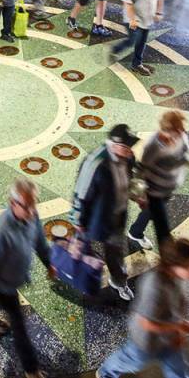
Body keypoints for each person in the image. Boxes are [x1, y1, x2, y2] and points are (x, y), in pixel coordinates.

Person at [0, 178, 56, 378]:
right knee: (19, 327)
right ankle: (31, 370)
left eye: (33, 205)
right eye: (27, 206)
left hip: (13, 277)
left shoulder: (32, 216)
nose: (31, 211)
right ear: (13, 204)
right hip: (2, 285)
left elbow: (39, 241)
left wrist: (49, 263)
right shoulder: (1, 231)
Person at [97, 239, 189, 378]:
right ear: (175, 265)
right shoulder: (154, 285)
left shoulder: (182, 278)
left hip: (170, 337)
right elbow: (146, 323)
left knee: (181, 372)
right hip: (145, 341)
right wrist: (178, 327)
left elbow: (180, 304)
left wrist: (179, 331)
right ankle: (105, 374)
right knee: (129, 362)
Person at [71, 123, 140, 301]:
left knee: (114, 251)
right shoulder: (94, 164)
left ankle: (117, 281)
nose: (130, 151)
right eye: (127, 147)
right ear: (114, 145)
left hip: (117, 214)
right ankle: (86, 278)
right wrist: (78, 222)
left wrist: (136, 194)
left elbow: (131, 176)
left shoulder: (128, 157)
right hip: (98, 219)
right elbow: (81, 194)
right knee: (93, 250)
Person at [127, 111, 189, 251]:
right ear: (166, 130)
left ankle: (136, 231)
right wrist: (140, 194)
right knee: (161, 224)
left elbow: (186, 151)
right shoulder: (153, 146)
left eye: (181, 128)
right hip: (155, 189)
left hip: (168, 186)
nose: (181, 132)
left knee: (150, 213)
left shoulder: (182, 136)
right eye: (177, 130)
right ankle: (168, 256)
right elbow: (142, 169)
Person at [110, 0, 163, 74]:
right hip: (133, 20)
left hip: (147, 20)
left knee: (141, 42)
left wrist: (158, 12)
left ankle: (137, 64)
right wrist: (132, 19)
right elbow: (127, 3)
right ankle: (115, 50)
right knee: (133, 40)